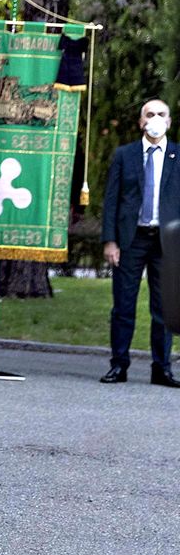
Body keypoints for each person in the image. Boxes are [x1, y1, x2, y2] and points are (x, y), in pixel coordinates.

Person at [99, 98, 180, 387]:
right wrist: (110, 241)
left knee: (164, 309)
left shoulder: (178, 155)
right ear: (141, 122)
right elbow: (112, 200)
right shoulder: (125, 155)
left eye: (161, 114)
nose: (155, 118)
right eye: (150, 114)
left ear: (169, 121)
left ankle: (162, 368)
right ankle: (119, 365)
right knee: (123, 306)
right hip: (130, 240)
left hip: (167, 243)